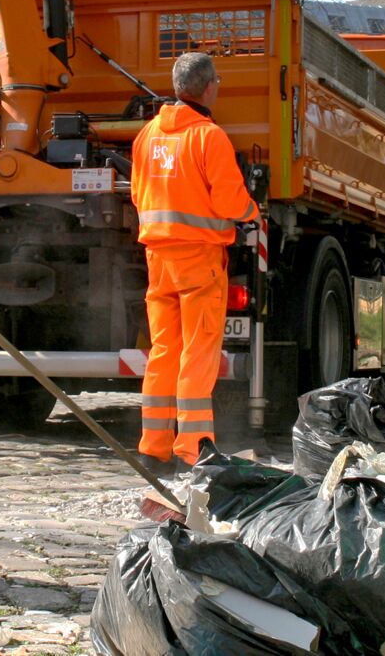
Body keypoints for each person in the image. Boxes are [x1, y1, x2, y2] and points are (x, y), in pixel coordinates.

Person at [130, 52, 259, 474]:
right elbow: (229, 200)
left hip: (158, 257)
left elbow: (137, 195)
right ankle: (192, 450)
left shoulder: (147, 135)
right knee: (198, 353)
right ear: (208, 87)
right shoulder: (208, 136)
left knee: (163, 350)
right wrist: (252, 213)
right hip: (199, 258)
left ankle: (153, 447)